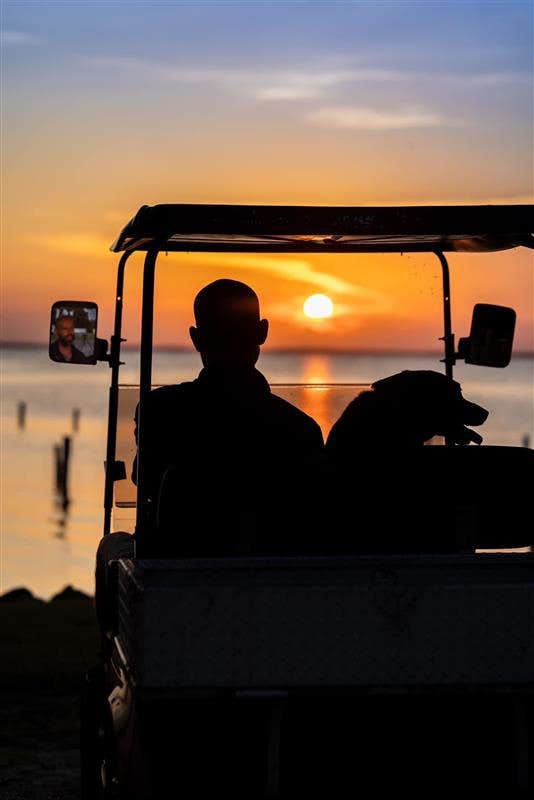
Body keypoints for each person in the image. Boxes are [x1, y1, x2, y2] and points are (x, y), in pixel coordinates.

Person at [96, 279, 324, 627]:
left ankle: (112, 648)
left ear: (196, 338)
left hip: (174, 580)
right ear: (262, 332)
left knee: (112, 544)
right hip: (274, 586)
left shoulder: (162, 410)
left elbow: (144, 481)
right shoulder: (301, 428)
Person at [324, 370, 490, 553]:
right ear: (418, 401)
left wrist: (445, 428)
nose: (465, 405)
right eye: (454, 399)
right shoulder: (386, 441)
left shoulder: (369, 417)